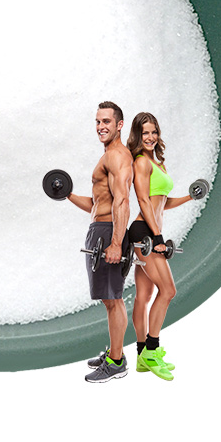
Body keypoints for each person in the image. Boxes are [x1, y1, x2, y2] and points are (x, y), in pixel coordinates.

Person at [66, 101, 133, 383]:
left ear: (120, 125)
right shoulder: (107, 156)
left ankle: (116, 362)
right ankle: (115, 353)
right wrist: (67, 194)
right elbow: (97, 204)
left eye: (106, 121)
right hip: (100, 228)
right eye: (97, 122)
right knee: (108, 299)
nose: (100, 127)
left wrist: (116, 242)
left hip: (109, 232)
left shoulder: (117, 156)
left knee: (113, 299)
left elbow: (122, 200)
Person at [127, 111, 193, 381]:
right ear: (137, 135)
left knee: (144, 296)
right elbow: (144, 201)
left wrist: (190, 197)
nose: (151, 137)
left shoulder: (158, 165)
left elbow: (162, 202)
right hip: (144, 232)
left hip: (149, 231)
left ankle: (141, 355)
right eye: (145, 133)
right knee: (168, 290)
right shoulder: (141, 163)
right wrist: (156, 237)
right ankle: (152, 352)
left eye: (154, 132)